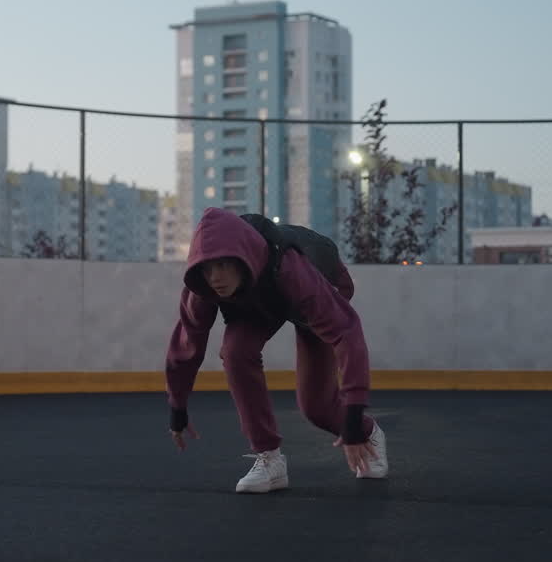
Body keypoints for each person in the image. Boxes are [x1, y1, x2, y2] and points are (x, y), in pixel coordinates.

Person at [164, 207, 388, 493]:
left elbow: (347, 333)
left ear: (240, 257)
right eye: (207, 267)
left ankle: (371, 434)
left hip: (317, 286)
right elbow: (186, 343)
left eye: (222, 265)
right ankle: (269, 459)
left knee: (317, 408)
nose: (215, 277)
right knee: (235, 351)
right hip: (255, 300)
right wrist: (178, 406)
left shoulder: (293, 271)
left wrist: (355, 417)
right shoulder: (204, 286)